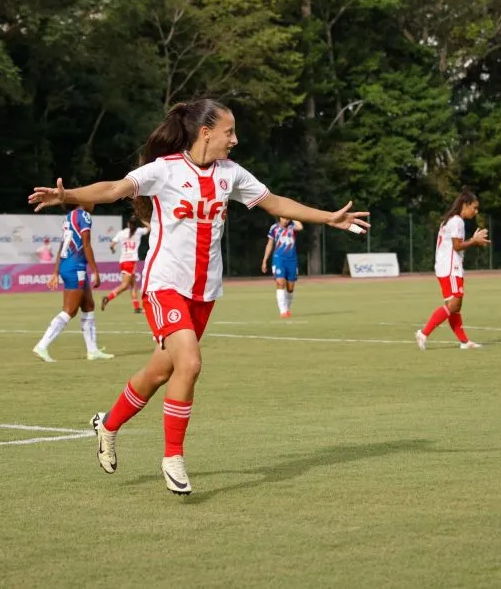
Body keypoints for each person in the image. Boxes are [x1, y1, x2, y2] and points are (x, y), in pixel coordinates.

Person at [29, 99, 370, 495]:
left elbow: (274, 203)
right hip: (164, 286)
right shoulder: (165, 169)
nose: (235, 140)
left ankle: (107, 425)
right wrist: (68, 195)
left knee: (160, 372)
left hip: (204, 294)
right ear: (205, 132)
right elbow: (114, 188)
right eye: (230, 132)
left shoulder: (231, 174)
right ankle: (173, 456)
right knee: (189, 364)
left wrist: (328, 216)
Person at [32, 205, 115, 362]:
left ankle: (92, 351)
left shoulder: (70, 216)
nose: (94, 202)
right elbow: (87, 244)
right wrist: (96, 271)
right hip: (75, 267)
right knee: (70, 310)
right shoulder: (84, 216)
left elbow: (63, 245)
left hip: (68, 264)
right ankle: (42, 346)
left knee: (88, 306)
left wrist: (56, 271)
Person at [415, 186, 490, 351]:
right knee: (454, 305)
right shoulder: (457, 221)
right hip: (450, 268)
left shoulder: (450, 220)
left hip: (444, 267)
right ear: (465, 204)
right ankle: (424, 332)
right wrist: (474, 241)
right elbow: (457, 246)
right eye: (474, 207)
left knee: (454, 307)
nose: (475, 212)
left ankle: (464, 341)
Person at [102, 216, 150, 314]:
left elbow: (111, 245)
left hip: (123, 261)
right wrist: (141, 219)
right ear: (136, 225)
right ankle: (108, 298)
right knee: (124, 285)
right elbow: (149, 228)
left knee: (133, 285)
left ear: (128, 224)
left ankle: (137, 308)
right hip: (131, 262)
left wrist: (113, 250)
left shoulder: (121, 233)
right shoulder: (139, 231)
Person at [261, 217, 303, 318]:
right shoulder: (274, 228)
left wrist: (293, 215)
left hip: (292, 260)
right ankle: (283, 311)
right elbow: (270, 244)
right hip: (279, 258)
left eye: (288, 219)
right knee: (280, 283)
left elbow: (300, 227)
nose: (286, 221)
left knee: (290, 288)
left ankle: (287, 309)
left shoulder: (292, 226)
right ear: (280, 217)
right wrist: (264, 260)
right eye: (284, 218)